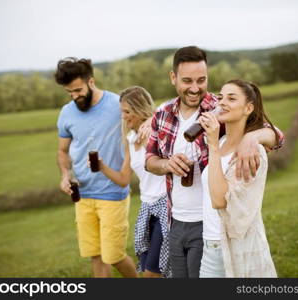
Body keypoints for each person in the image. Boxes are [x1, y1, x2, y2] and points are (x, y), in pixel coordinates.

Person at [145, 46, 284, 278]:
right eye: (187, 80)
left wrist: (253, 136)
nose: (195, 88)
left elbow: (275, 134)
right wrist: (166, 165)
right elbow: (150, 160)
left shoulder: (218, 108)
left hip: (208, 225)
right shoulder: (163, 113)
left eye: (201, 80)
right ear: (173, 78)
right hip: (175, 220)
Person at [55, 57, 138, 278]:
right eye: (69, 92)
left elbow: (144, 119)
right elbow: (62, 151)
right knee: (96, 255)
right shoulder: (66, 113)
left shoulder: (117, 104)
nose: (75, 96)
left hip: (112, 193)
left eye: (78, 90)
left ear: (91, 81)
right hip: (82, 194)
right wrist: (65, 175)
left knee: (115, 256)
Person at [89, 86, 171, 278]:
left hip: (166, 206)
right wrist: (101, 166)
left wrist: (153, 120)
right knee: (157, 273)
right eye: (122, 112)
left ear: (140, 108)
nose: (124, 117)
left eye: (127, 111)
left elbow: (174, 103)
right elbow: (123, 179)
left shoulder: (159, 131)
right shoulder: (130, 139)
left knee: (151, 274)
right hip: (148, 208)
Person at [199, 79, 277, 277]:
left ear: (248, 108)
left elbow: (219, 200)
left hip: (236, 249)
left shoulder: (253, 152)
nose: (222, 102)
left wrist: (213, 146)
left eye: (231, 98)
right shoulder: (222, 140)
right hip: (209, 246)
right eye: (220, 97)